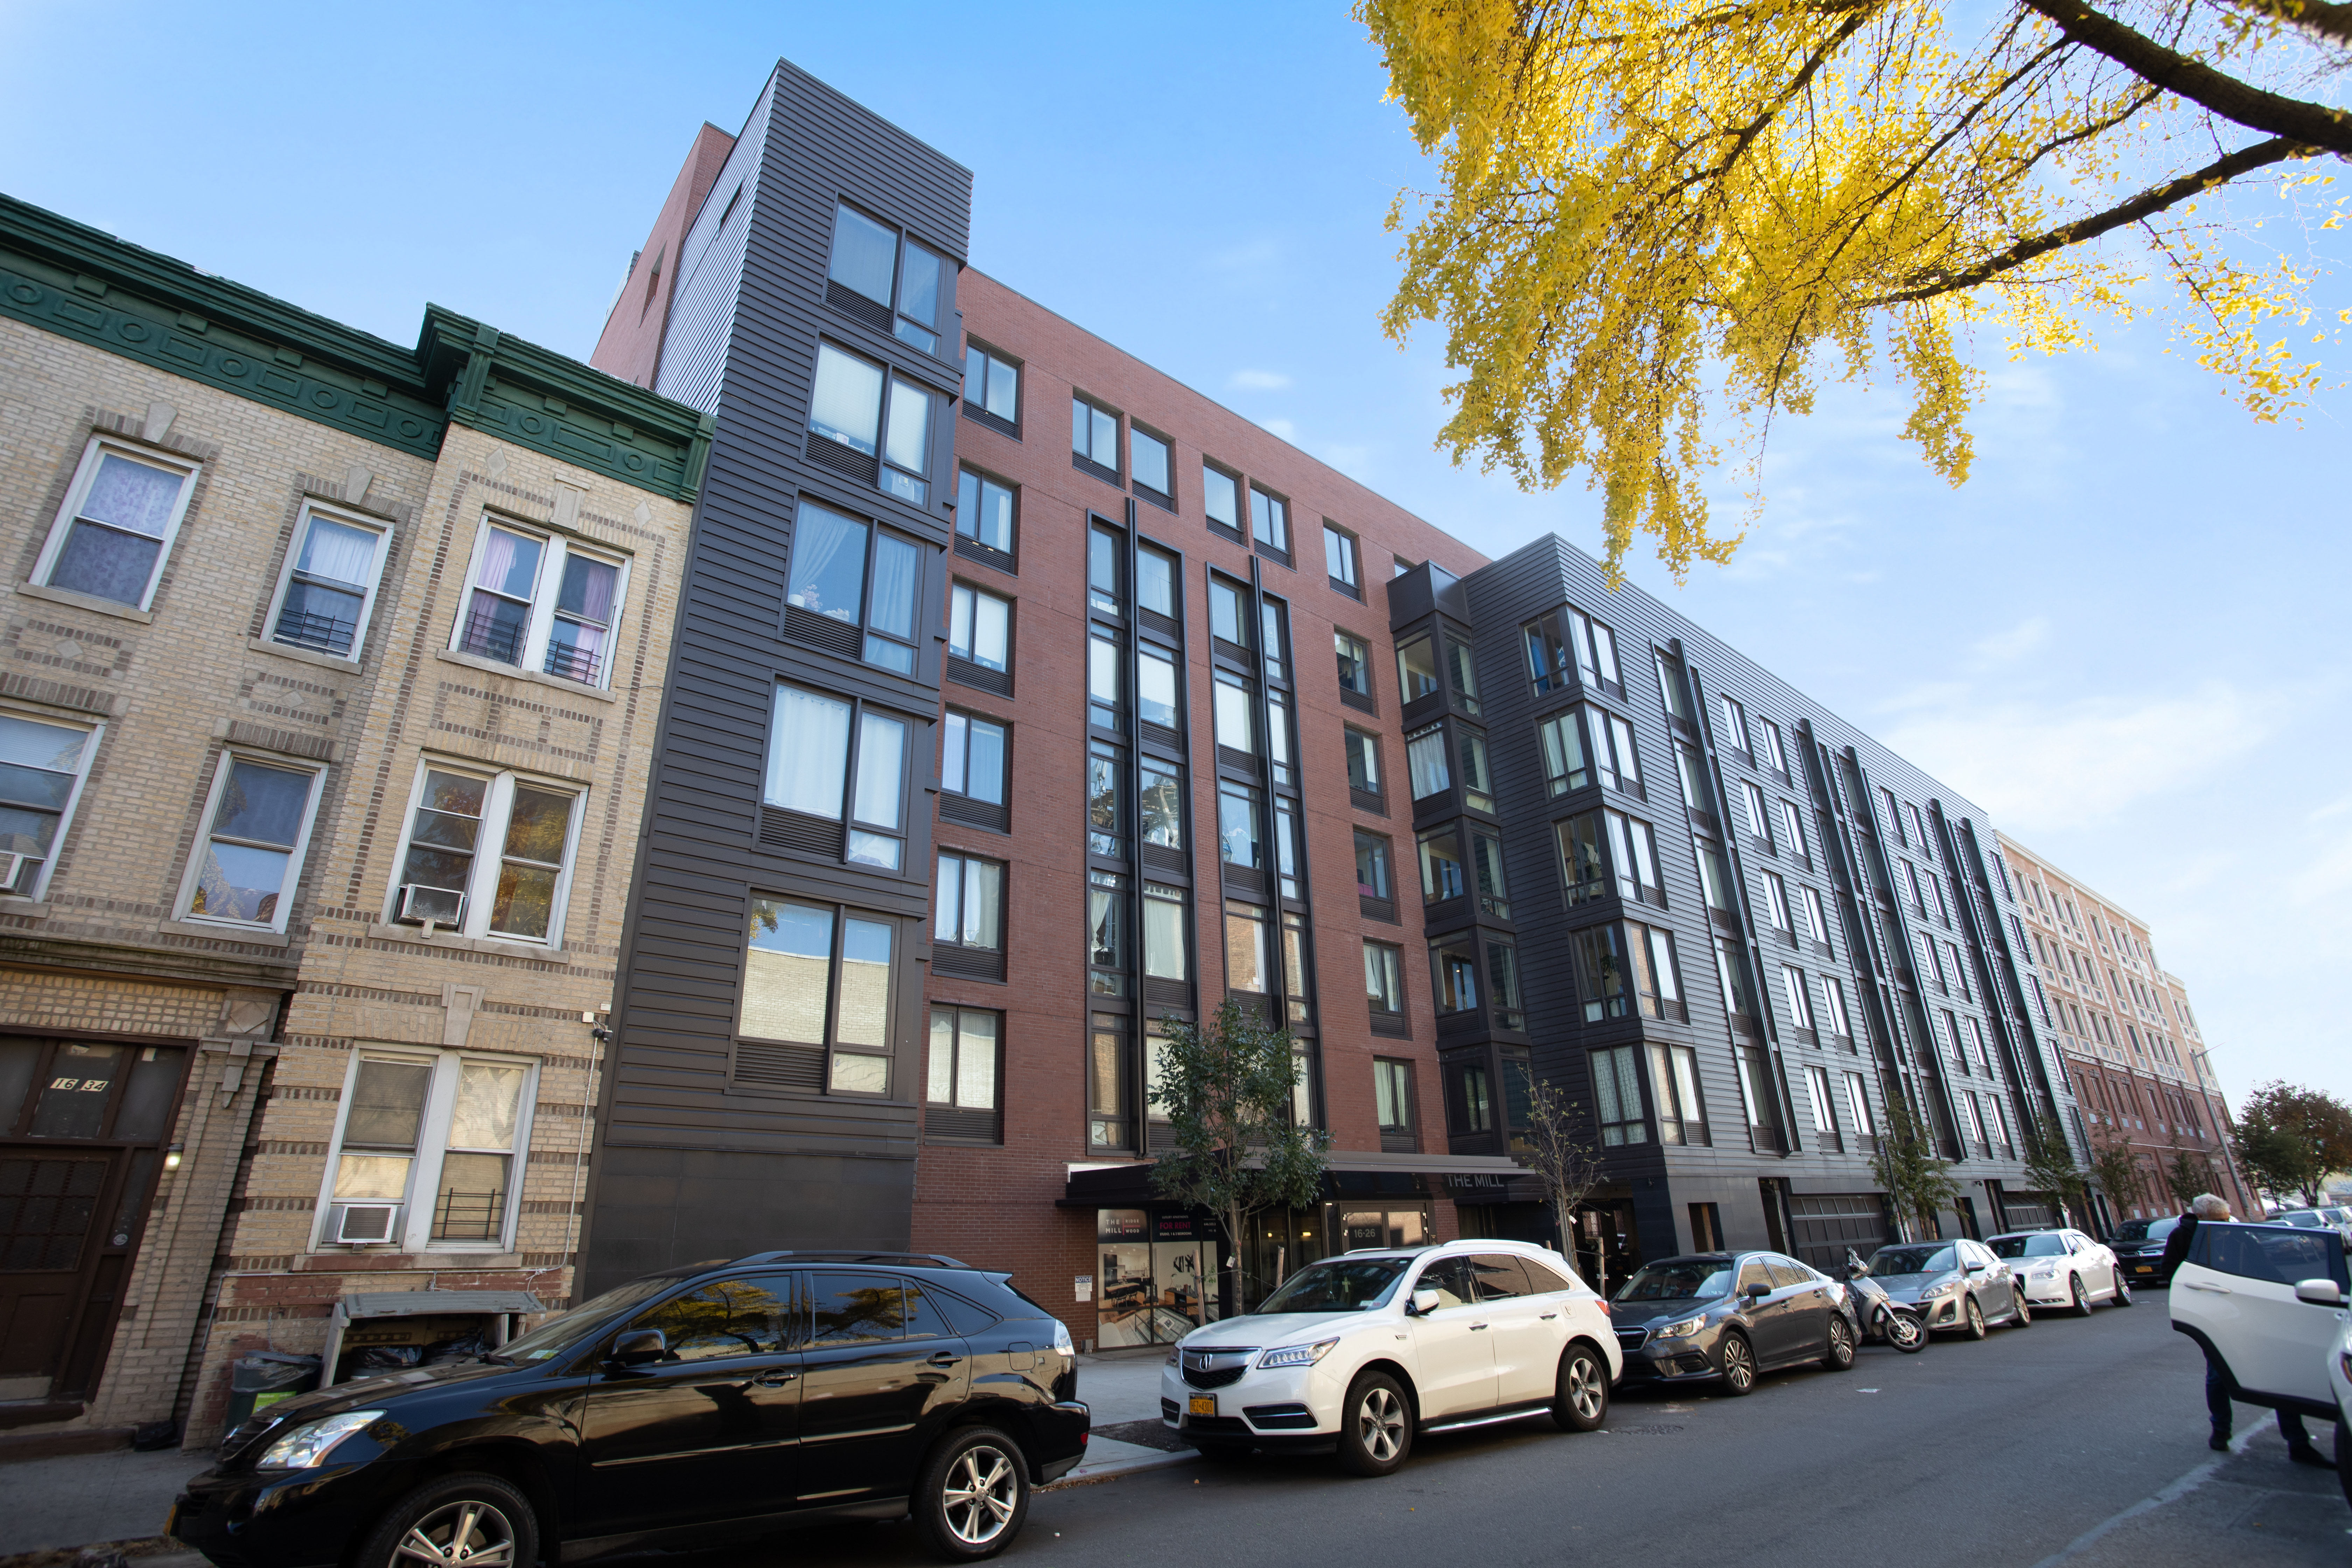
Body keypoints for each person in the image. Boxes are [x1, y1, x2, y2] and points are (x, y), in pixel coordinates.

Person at [2176, 1192, 2331, 1466]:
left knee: (2277, 1373)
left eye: (2226, 1219)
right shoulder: (2183, 1237)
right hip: (2213, 1315)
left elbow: (2267, 1268)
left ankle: (2298, 1442)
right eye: (2218, 1221)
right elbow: (2172, 1273)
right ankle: (2221, 1431)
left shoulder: (2239, 1236)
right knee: (2219, 1374)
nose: (2225, 1224)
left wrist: (2288, 1295)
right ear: (2201, 1219)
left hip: (2252, 1310)